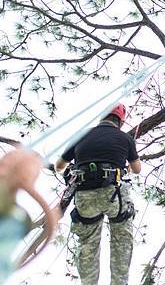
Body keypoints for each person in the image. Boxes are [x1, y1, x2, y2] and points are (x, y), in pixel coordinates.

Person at [55, 103, 141, 285]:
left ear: (102, 117)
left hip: (85, 195)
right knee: (121, 239)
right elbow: (137, 169)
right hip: (113, 195)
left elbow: (58, 166)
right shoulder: (125, 138)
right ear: (120, 122)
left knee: (88, 243)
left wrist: (72, 169)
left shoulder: (82, 135)